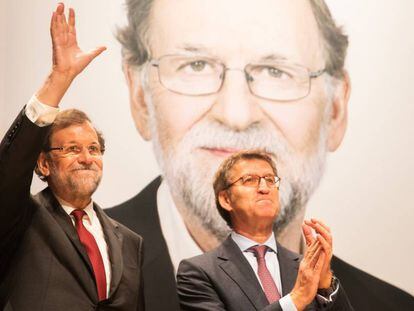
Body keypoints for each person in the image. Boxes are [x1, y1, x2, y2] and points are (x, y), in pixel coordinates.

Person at [106, 0, 414, 310]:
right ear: (140, 97)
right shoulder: (79, 261)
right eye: (196, 65)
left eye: (275, 71)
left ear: (335, 109)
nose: (236, 115)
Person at [0, 4, 144, 310]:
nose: (86, 157)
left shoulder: (130, 241)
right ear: (43, 163)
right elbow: (9, 170)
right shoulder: (20, 218)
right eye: (71, 149)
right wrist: (60, 78)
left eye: (93, 149)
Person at [177, 151, 353, 310]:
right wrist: (295, 299)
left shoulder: (305, 267)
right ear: (225, 199)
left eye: (270, 180)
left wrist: (324, 282)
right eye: (250, 180)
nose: (264, 188)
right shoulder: (198, 272)